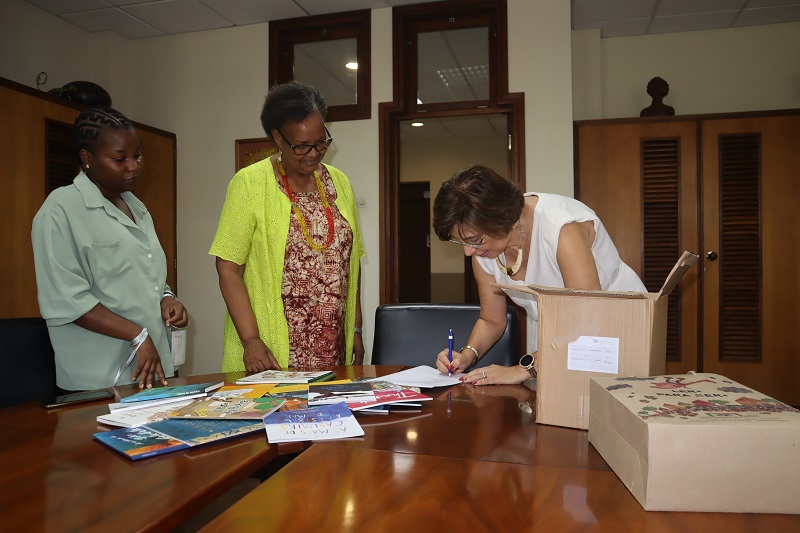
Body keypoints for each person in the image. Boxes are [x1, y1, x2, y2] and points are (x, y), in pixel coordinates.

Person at [432, 165, 646, 385]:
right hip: (556, 339)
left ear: (502, 217)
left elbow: (585, 319)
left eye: (474, 239)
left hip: (614, 324)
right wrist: (467, 355)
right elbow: (491, 320)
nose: (468, 251)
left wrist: (519, 370)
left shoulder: (561, 229)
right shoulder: (483, 249)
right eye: (460, 241)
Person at [210, 81, 365, 373]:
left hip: (332, 346)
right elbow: (228, 269)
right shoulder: (250, 183)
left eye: (321, 142)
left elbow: (351, 262)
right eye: (302, 146)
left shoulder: (339, 182)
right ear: (278, 138)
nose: (314, 153)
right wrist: (251, 339)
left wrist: (354, 328)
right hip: (272, 349)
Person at [32, 107, 188, 392]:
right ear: (86, 158)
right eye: (120, 159)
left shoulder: (136, 207)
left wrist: (167, 298)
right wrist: (137, 334)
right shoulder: (60, 210)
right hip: (99, 379)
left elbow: (145, 274)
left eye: (137, 155)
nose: (133, 166)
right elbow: (68, 300)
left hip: (152, 369)